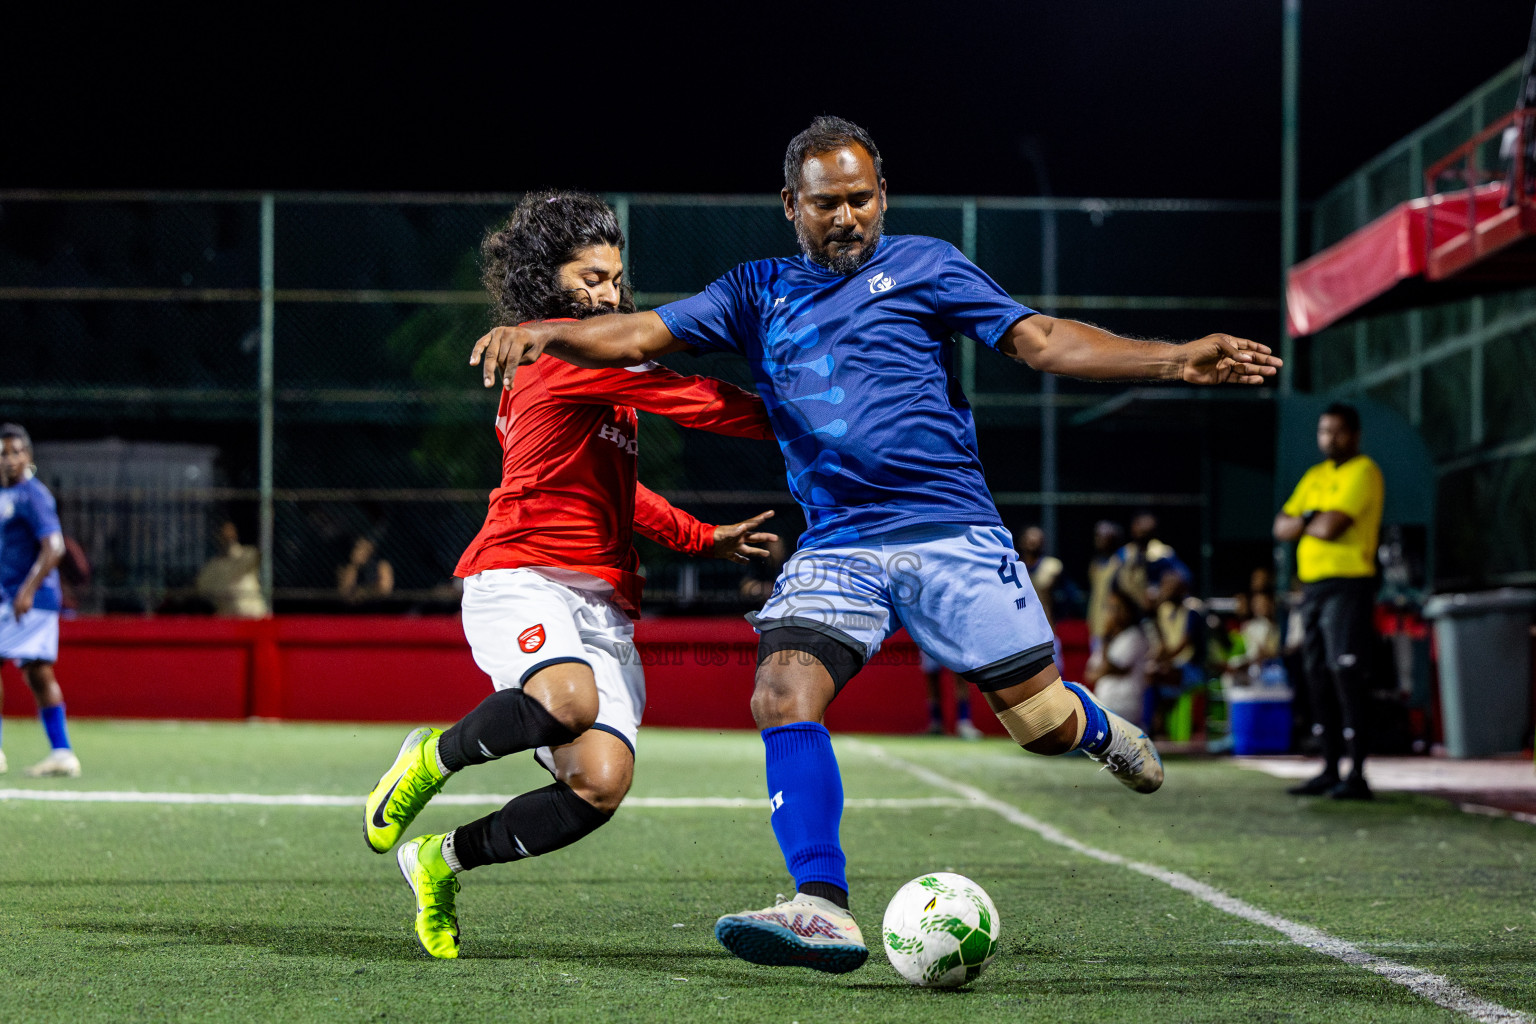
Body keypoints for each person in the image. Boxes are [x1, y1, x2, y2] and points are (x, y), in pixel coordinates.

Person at [469, 116, 1282, 972]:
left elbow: (1039, 340)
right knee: (782, 692)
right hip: (838, 543)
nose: (847, 216)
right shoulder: (755, 289)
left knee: (1037, 724)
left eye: (861, 198)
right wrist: (546, 332)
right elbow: (641, 334)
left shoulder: (929, 265)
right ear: (793, 205)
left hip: (950, 529)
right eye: (827, 203)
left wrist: (1173, 359)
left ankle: (1092, 728)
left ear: (882, 196)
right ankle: (821, 906)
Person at [361, 190, 778, 959]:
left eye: (615, 278)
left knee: (600, 783)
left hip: (602, 600)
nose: (609, 294)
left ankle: (439, 862)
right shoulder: (562, 351)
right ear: (544, 280)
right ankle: (431, 758)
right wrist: (813, 406)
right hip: (521, 572)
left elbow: (619, 490)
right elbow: (700, 403)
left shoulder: (578, 358)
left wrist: (702, 538)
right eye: (590, 278)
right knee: (565, 699)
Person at [1272, 403, 1383, 801]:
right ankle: (1329, 766)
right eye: (1323, 431)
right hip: (1313, 590)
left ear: (1354, 434)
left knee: (1345, 673)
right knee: (1315, 672)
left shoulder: (1364, 472)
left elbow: (1331, 527)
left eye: (1337, 431)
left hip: (1348, 586)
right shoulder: (1315, 476)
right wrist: (1309, 519)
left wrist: (1307, 520)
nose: (1329, 438)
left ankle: (1357, 773)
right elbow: (1280, 526)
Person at [0, 424, 80, 777]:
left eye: (17, 452)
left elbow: (55, 547)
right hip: (18, 597)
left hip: (29, 600)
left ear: (29, 456)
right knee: (38, 673)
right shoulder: (6, 495)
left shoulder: (32, 495)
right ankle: (62, 752)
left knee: (32, 670)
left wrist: (27, 590)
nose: (11, 459)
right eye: (4, 453)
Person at [1084, 590, 1155, 727]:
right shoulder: (1110, 640)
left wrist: (1105, 638)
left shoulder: (1134, 636)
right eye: (1109, 608)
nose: (1112, 613)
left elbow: (1111, 667)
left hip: (1124, 706)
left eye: (1117, 608)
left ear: (1128, 611)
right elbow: (1089, 674)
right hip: (1104, 702)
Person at [195, 521, 267, 617]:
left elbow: (256, 555)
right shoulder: (211, 567)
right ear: (217, 536)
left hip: (253, 617)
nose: (227, 536)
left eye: (230, 532)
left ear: (235, 534)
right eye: (223, 533)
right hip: (229, 621)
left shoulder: (247, 554)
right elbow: (200, 588)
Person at [1019, 524, 1065, 670]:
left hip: (1047, 630)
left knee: (1055, 677)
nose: (1033, 541)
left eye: (1037, 538)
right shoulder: (1015, 568)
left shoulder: (1052, 567)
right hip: (1021, 631)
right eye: (1029, 538)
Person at [922, 649, 982, 740]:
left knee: (960, 675)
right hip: (930, 637)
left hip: (953, 638)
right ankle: (936, 723)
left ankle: (964, 722)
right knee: (932, 679)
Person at [1086, 520, 1125, 652]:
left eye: (1103, 536)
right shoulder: (1095, 563)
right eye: (1097, 535)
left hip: (1114, 626)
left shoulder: (1120, 563)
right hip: (1096, 624)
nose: (1098, 539)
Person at [337, 535, 393, 604]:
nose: (358, 551)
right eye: (356, 547)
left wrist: (363, 592)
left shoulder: (382, 565)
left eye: (362, 547)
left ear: (371, 550)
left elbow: (385, 590)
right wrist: (354, 566)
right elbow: (344, 592)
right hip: (353, 608)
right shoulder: (348, 567)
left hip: (378, 607)